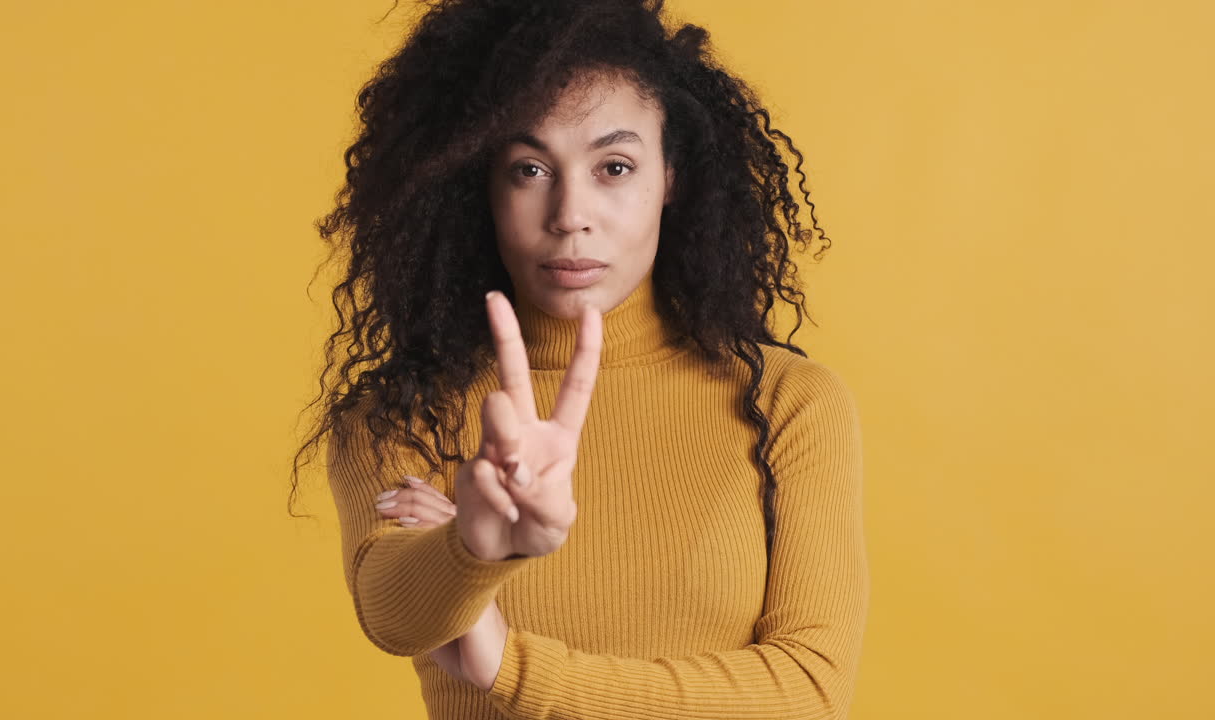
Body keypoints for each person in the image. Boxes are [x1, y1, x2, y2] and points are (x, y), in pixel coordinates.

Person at [292, 1, 870, 717]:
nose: (570, 212)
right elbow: (393, 614)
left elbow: (812, 693)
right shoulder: (405, 412)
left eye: (615, 166)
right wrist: (473, 547)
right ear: (480, 185)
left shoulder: (787, 401)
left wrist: (510, 664)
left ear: (672, 176)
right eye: (529, 168)